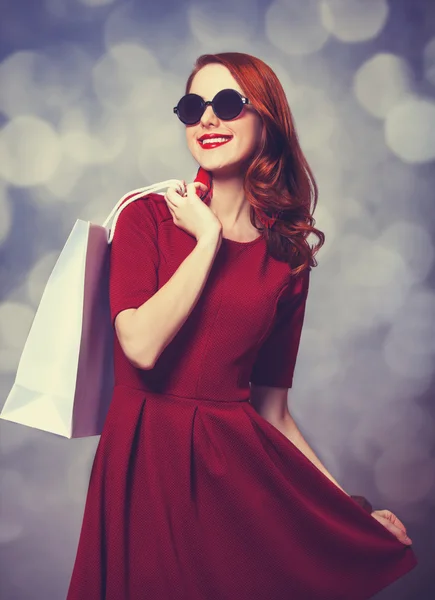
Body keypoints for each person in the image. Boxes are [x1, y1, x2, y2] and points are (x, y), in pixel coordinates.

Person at [66, 52, 417, 600]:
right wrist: (207, 241)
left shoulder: (286, 256)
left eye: (228, 104)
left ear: (266, 119)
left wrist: (345, 510)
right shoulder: (146, 219)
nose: (207, 119)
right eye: (192, 107)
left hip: (233, 481)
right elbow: (140, 345)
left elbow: (273, 411)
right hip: (141, 465)